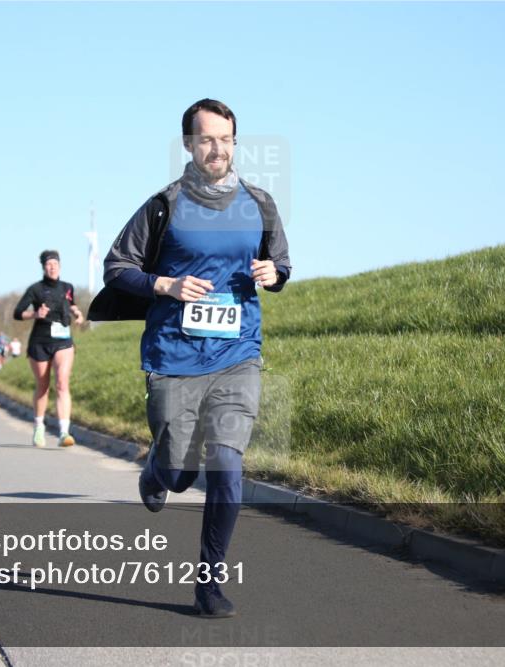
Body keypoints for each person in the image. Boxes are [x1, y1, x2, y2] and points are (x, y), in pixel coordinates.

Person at [97, 100, 291, 617]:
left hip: (238, 354)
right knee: (182, 472)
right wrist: (165, 283)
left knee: (227, 465)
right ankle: (156, 474)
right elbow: (116, 268)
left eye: (226, 139)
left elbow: (281, 260)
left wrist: (274, 274)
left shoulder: (259, 202)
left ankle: (209, 583)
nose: (217, 149)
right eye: (207, 139)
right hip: (174, 357)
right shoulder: (164, 205)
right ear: (188, 144)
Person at [14, 250, 85, 448]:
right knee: (43, 385)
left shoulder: (67, 287)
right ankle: (38, 426)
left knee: (62, 383)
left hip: (63, 340)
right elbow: (18, 313)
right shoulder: (35, 289)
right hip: (40, 341)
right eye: (48, 264)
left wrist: (77, 314)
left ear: (60, 266)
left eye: (55, 263)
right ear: (43, 267)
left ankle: (64, 432)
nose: (52, 267)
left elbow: (71, 304)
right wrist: (36, 314)